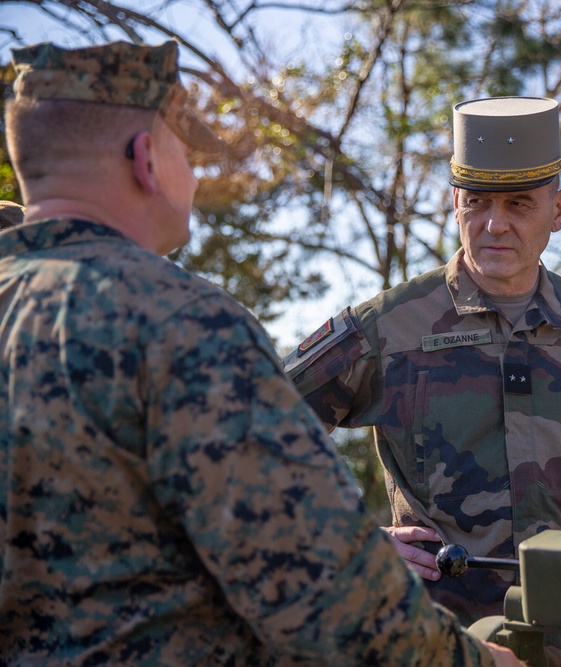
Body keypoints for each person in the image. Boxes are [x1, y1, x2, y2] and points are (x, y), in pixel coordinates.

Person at [0, 40, 520, 667]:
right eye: (187, 155)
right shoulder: (181, 324)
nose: (195, 178)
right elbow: (323, 593)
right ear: (146, 160)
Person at [284, 96, 561, 630]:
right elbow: (243, 436)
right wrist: (347, 540)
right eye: (477, 202)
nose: (495, 225)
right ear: (455, 202)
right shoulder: (388, 327)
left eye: (519, 204)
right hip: (441, 640)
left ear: (559, 210)